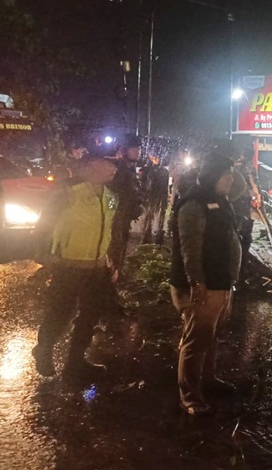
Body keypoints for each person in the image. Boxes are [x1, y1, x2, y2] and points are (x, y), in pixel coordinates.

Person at [31, 156, 120, 379]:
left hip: (97, 267)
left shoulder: (110, 197)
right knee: (60, 312)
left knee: (90, 315)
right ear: (90, 165)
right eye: (107, 163)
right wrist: (42, 254)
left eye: (114, 165)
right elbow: (44, 224)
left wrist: (112, 260)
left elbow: (110, 228)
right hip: (67, 265)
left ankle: (75, 363)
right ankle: (44, 347)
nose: (113, 168)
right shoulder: (67, 193)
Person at [170, 153, 242, 415]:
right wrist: (196, 281)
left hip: (220, 280)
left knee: (211, 337)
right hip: (202, 284)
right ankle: (189, 396)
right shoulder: (193, 204)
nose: (232, 180)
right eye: (227, 176)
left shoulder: (220, 200)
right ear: (214, 177)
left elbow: (241, 187)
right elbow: (189, 248)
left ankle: (208, 381)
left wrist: (233, 162)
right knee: (196, 339)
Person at [107, 133, 144, 272]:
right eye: (133, 148)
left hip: (125, 217)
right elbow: (110, 194)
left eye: (138, 149)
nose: (137, 152)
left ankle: (117, 272)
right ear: (124, 150)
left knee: (121, 247)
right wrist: (112, 212)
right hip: (117, 218)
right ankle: (112, 275)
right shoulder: (117, 170)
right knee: (114, 248)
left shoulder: (130, 170)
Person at [141, 155, 170, 245]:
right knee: (149, 217)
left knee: (158, 218)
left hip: (159, 196)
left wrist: (165, 198)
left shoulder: (164, 171)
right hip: (151, 196)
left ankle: (158, 238)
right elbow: (143, 183)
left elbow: (165, 186)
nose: (155, 159)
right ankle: (146, 236)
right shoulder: (147, 169)